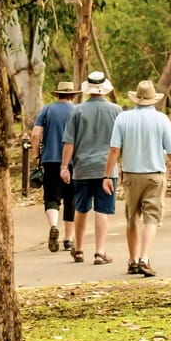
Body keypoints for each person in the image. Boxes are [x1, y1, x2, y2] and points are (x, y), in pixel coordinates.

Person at [103, 80, 171, 277]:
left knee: (132, 217)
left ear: (136, 98)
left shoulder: (123, 118)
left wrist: (107, 175)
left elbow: (114, 149)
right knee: (151, 217)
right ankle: (145, 258)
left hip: (130, 175)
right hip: (154, 175)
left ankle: (132, 260)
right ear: (153, 100)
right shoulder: (162, 119)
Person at [61, 71, 122, 264]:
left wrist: (64, 166)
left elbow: (69, 142)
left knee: (81, 208)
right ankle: (99, 252)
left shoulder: (76, 111)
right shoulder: (116, 110)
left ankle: (78, 249)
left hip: (82, 168)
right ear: (104, 89)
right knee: (102, 210)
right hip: (107, 169)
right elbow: (120, 143)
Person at [31, 82, 80, 253]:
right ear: (72, 95)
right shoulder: (77, 111)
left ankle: (53, 226)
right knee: (70, 198)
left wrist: (37, 155)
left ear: (57, 95)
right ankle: (68, 239)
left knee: (51, 196)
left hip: (50, 160)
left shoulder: (47, 109)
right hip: (74, 161)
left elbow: (36, 134)